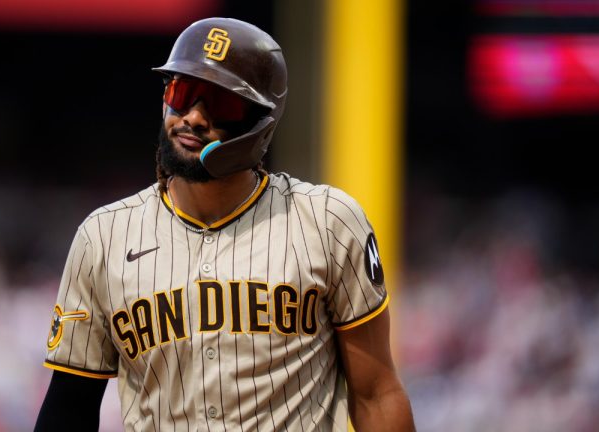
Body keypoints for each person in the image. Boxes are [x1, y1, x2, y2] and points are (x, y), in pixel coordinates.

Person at [35, 17, 415, 431]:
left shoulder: (327, 223)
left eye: (221, 104)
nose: (194, 118)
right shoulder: (103, 237)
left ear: (260, 123)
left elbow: (376, 393)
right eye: (184, 93)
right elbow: (69, 408)